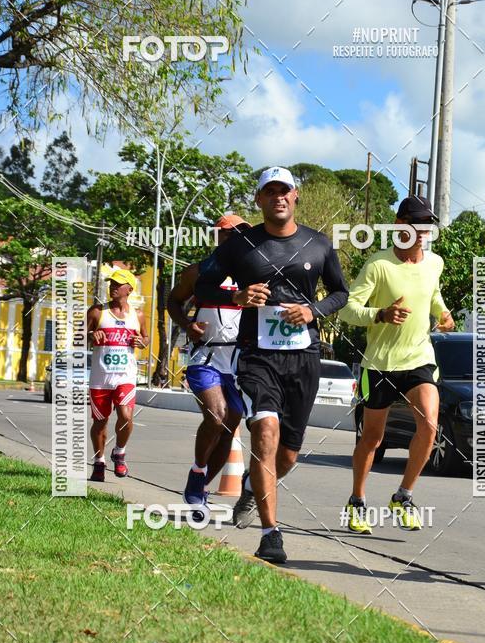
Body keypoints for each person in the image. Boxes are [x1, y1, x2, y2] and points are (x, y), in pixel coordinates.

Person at [194, 166, 349, 563]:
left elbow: (340, 293)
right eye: (270, 191)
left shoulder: (319, 244)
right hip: (256, 355)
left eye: (285, 191)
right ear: (259, 199)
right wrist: (238, 298)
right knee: (265, 431)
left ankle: (251, 484)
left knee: (288, 455)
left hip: (304, 358)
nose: (278, 197)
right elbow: (203, 284)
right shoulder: (241, 245)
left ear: (295, 196)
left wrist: (312, 311)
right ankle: (271, 534)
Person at [340, 195, 455, 534]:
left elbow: (433, 297)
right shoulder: (378, 265)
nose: (422, 232)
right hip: (378, 364)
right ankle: (357, 500)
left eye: (427, 226)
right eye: (415, 224)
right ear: (399, 224)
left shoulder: (435, 263)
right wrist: (381, 314)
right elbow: (348, 310)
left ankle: (403, 496)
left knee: (429, 424)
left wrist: (444, 316)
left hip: (419, 359)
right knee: (372, 438)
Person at [167, 213, 251, 508]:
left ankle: (200, 487)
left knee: (231, 423)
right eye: (231, 233)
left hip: (237, 361)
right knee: (216, 415)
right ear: (217, 237)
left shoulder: (253, 274)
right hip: (207, 356)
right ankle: (197, 470)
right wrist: (186, 324)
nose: (238, 237)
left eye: (242, 232)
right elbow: (173, 300)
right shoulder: (198, 272)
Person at [87, 268, 148, 481]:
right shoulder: (97, 312)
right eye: (111, 283)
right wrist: (92, 334)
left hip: (125, 376)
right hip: (100, 378)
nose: (112, 287)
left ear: (129, 289)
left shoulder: (138, 314)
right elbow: (79, 337)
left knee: (125, 416)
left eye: (117, 284)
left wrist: (142, 341)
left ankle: (119, 453)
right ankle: (99, 462)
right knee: (100, 422)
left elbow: (145, 338)